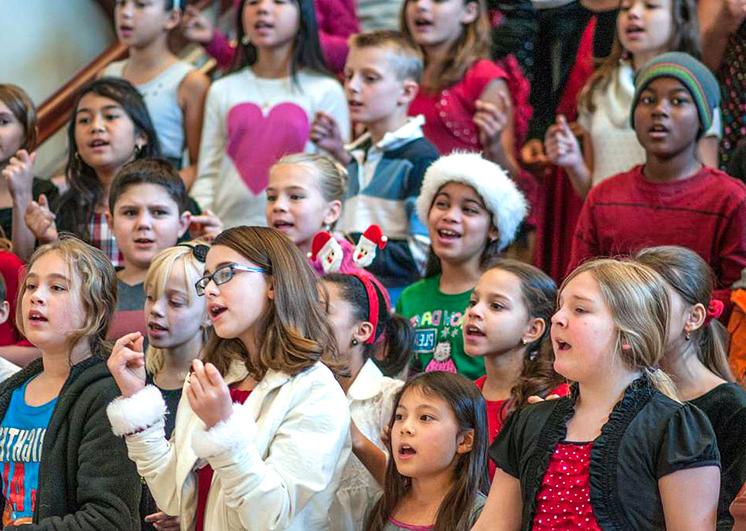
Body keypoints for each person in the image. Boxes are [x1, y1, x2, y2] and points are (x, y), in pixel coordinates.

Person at [106, 226, 350, 530]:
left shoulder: (315, 389)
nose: (208, 290)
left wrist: (222, 427)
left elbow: (271, 517)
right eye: (207, 278)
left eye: (226, 273)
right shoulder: (216, 376)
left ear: (273, 284)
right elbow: (172, 497)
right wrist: (137, 398)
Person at [474, 258, 721, 530]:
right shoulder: (530, 422)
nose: (557, 318)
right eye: (559, 308)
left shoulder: (672, 427)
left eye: (580, 309)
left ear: (629, 335)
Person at [569, 52, 746, 302]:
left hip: (699, 338)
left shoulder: (731, 199)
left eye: (678, 101)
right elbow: (580, 285)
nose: (659, 110)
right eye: (648, 99)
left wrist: (671, 315)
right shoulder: (604, 197)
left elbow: (737, 295)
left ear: (702, 118)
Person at [0, 235, 141, 528]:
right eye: (31, 285)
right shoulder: (10, 392)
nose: (37, 296)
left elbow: (110, 519)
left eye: (57, 287)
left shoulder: (108, 396)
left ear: (96, 309)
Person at [189, 0, 350, 228]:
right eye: (252, 2)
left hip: (296, 238)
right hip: (227, 231)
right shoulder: (223, 88)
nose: (262, 9)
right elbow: (209, 171)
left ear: (302, 15)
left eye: (278, 2)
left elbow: (334, 179)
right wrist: (203, 219)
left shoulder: (325, 90)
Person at [545, 0, 720, 197]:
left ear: (680, 19)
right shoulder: (599, 87)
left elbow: (709, 188)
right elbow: (592, 191)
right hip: (609, 223)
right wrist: (573, 162)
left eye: (650, 6)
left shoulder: (694, 90)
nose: (633, 14)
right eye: (626, 8)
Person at [311, 30, 438, 295]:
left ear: (406, 92)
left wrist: (348, 246)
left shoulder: (420, 159)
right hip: (353, 304)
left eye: (369, 78)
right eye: (348, 75)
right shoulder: (355, 157)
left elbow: (420, 255)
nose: (352, 86)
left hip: (394, 306)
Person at [636, 245, 746, 530]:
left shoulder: (732, 407)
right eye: (630, 303)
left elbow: (725, 516)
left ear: (693, 317)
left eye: (652, 303)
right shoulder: (626, 391)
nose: (634, 315)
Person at [396, 152, 527, 379]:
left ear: (494, 229)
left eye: (469, 210)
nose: (450, 216)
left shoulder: (505, 299)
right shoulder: (410, 298)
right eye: (442, 204)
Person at [23, 78, 160, 267]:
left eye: (110, 117)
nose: (96, 127)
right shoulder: (62, 209)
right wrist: (49, 241)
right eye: (85, 120)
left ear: (141, 136)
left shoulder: (170, 203)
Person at [321, 272, 411, 530]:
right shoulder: (300, 392)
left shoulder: (391, 398)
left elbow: (411, 489)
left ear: (361, 331)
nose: (307, 320)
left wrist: (356, 438)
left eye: (322, 310)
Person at [463, 258, 568, 479]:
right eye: (473, 302)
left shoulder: (553, 401)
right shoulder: (464, 397)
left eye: (496, 306)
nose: (475, 312)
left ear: (532, 329)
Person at [138, 242, 210, 531]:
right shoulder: (132, 375)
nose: (156, 310)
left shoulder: (217, 390)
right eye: (150, 297)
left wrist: (195, 511)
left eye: (175, 302)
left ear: (209, 313)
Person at [102, 0, 210, 188]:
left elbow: (200, 164)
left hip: (159, 193)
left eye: (141, 5)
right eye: (121, 3)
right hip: (106, 191)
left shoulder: (190, 81)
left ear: (172, 17)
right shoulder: (107, 74)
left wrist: (154, 191)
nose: (125, 13)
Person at [364, 371, 488, 530]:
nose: (405, 428)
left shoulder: (480, 516)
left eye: (425, 417)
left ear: (464, 440)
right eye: (399, 416)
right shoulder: (381, 505)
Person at [105, 158, 199, 340]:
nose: (143, 224)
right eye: (130, 212)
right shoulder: (94, 291)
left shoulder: (201, 288)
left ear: (182, 223)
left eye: (158, 212)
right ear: (111, 222)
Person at [265, 153, 358, 274]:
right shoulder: (258, 266)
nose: (278, 206)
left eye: (295, 196)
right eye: (272, 197)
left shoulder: (350, 280)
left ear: (331, 212)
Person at [0, 84, 59, 260]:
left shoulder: (44, 192)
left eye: (3, 122)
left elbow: (24, 267)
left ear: (27, 133)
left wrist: (22, 194)